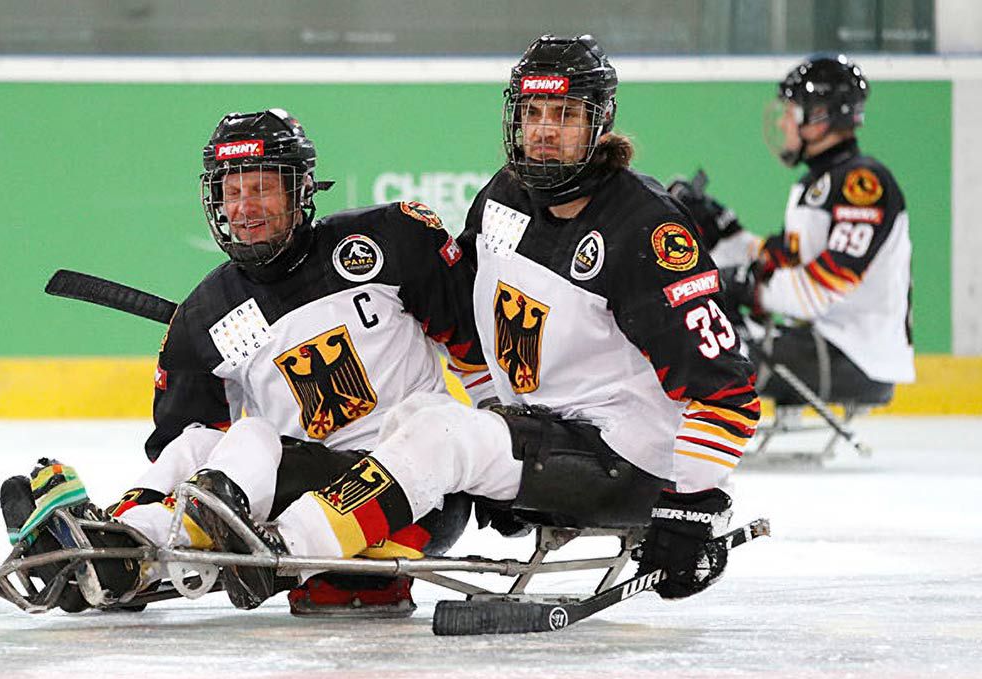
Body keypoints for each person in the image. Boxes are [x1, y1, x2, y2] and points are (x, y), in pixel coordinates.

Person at [182, 34, 760, 610]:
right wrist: (498, 426)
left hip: (627, 458)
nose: (544, 130)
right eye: (532, 113)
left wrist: (690, 502)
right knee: (416, 417)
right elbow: (475, 330)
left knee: (442, 436)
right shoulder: (503, 197)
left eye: (564, 115)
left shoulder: (646, 233)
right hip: (551, 435)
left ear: (600, 123)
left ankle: (285, 552)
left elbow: (728, 393)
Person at [1, 108, 491, 616]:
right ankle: (113, 543)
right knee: (203, 442)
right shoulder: (207, 314)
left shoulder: (386, 241)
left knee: (251, 438)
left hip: (415, 492)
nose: (244, 207)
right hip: (304, 490)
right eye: (232, 192)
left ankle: (125, 556)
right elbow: (182, 441)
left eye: (261, 188)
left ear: (301, 190)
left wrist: (500, 446)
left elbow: (475, 346)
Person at [669, 54, 914, 407]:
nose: (784, 122)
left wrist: (747, 288)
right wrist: (724, 232)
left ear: (818, 117)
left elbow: (817, 289)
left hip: (858, 356)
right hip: (828, 343)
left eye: (790, 111)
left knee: (701, 340)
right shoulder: (818, 184)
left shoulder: (863, 185)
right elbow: (782, 259)